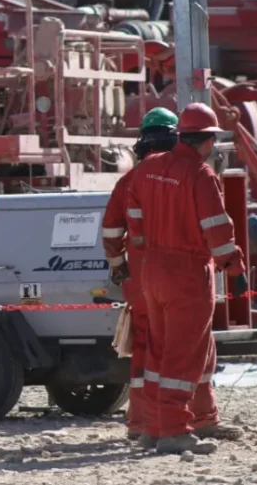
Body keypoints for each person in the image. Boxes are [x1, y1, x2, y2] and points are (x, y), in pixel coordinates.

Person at [125, 102, 249, 455]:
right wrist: (235, 269)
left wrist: (147, 248)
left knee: (159, 353)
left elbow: (134, 218)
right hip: (188, 275)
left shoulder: (148, 168)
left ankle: (153, 428)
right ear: (207, 140)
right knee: (184, 356)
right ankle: (175, 431)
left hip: (152, 270)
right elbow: (218, 230)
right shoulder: (200, 175)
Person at [100, 107, 179, 447]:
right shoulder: (185, 176)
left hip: (140, 277)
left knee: (144, 349)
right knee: (180, 346)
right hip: (178, 276)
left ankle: (141, 422)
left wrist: (120, 268)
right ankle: (184, 420)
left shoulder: (129, 181)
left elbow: (111, 232)